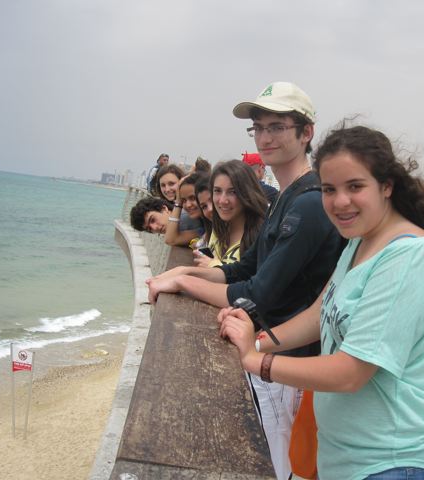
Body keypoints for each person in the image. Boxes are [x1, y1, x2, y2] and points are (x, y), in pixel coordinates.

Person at [219, 125, 424, 479]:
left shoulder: (407, 257)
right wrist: (255, 340)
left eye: (355, 186)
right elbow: (319, 314)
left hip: (392, 464)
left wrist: (257, 361)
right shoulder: (360, 240)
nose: (340, 202)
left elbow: (350, 372)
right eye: (329, 189)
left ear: (386, 186)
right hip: (346, 461)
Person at [146, 81, 342, 479]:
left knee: (282, 467)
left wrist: (184, 284)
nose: (265, 137)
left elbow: (258, 293)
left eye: (277, 127)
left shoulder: (308, 203)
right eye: (259, 127)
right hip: (276, 355)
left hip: (289, 364)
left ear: (306, 133)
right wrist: (184, 270)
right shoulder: (286, 197)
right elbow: (246, 266)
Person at [193, 160, 267, 268]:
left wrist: (213, 265)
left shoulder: (262, 237)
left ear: (247, 193)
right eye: (217, 191)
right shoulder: (217, 227)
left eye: (232, 192)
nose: (223, 200)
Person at [164, 172, 205, 247]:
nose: (188, 205)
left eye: (193, 198)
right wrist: (178, 202)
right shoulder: (204, 228)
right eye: (184, 200)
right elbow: (170, 240)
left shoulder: (221, 221)